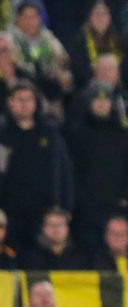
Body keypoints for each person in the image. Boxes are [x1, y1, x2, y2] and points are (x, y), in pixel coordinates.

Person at [0, 81, 74, 252]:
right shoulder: (3, 135)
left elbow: (64, 170)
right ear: (10, 102)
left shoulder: (49, 133)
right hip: (11, 209)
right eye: (19, 99)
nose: (24, 104)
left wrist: (65, 205)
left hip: (45, 210)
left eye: (29, 99)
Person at [69, 82, 128, 251]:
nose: (101, 104)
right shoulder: (77, 133)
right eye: (97, 100)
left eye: (106, 100)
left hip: (117, 206)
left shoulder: (123, 133)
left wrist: (127, 199)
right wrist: (81, 200)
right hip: (86, 209)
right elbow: (72, 171)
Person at [20, 208, 90, 271]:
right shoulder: (31, 257)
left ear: (67, 228)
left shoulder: (81, 256)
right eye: (51, 225)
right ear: (43, 228)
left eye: (60, 225)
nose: (56, 229)